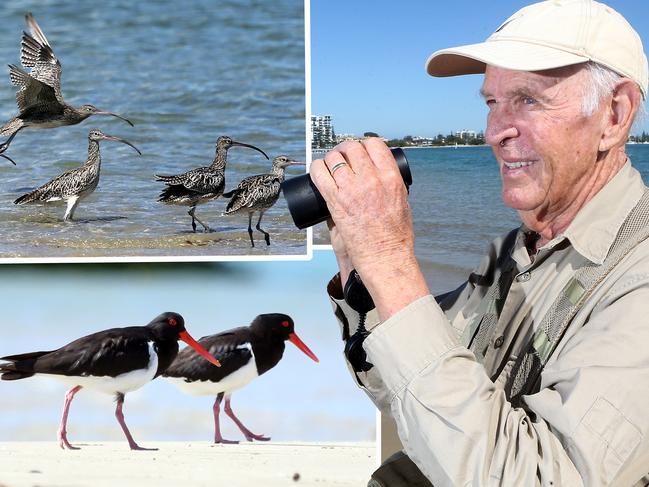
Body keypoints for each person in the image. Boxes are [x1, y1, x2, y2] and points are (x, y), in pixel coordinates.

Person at [310, 1, 649, 486]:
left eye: (528, 100)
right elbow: (408, 393)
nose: (494, 132)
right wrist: (358, 262)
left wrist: (389, 258)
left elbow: (535, 478)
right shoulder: (517, 251)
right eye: (492, 102)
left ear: (614, 115)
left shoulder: (637, 276)